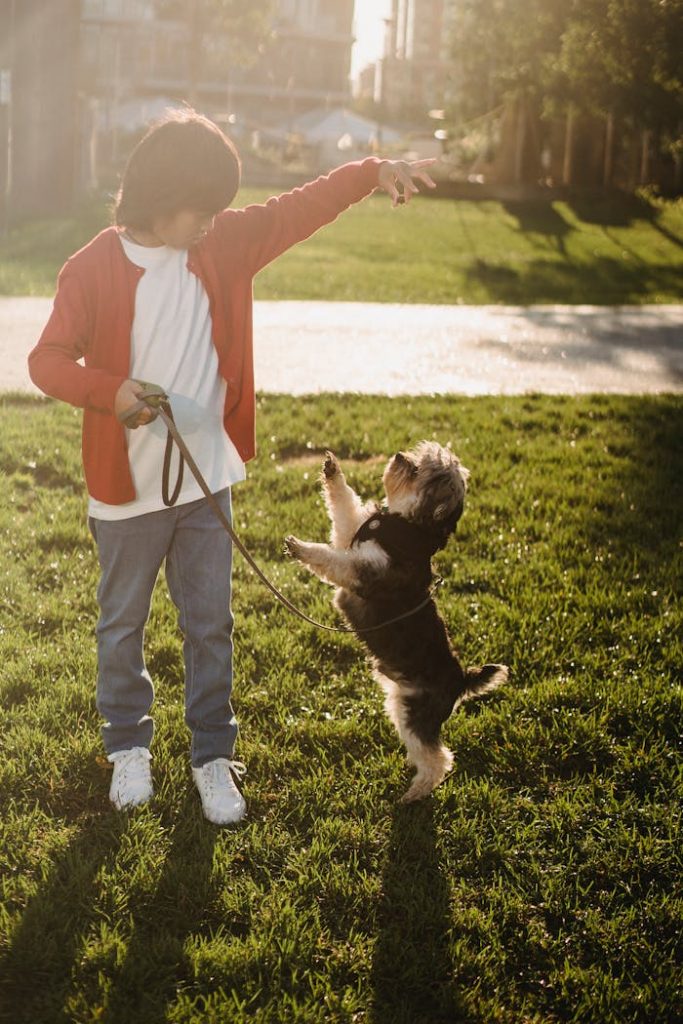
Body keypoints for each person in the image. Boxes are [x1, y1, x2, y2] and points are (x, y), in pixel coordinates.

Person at [28, 108, 436, 825]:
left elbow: (302, 206)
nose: (212, 223)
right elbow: (46, 362)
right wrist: (111, 391)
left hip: (205, 481)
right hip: (125, 495)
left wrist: (372, 172)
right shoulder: (91, 267)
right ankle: (128, 747)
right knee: (120, 626)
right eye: (201, 209)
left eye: (220, 210)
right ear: (158, 196)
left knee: (209, 624)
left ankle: (213, 755)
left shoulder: (224, 246)